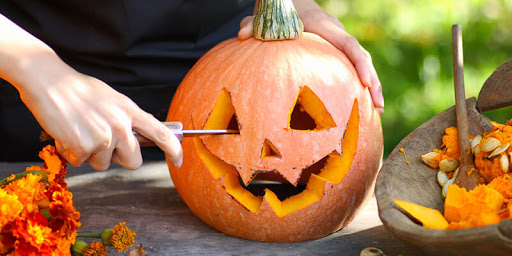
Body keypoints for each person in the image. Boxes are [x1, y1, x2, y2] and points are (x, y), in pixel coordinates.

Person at [0, 0, 383, 171]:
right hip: (33, 95)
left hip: (223, 62)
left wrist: (290, 4)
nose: (271, 150)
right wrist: (34, 68)